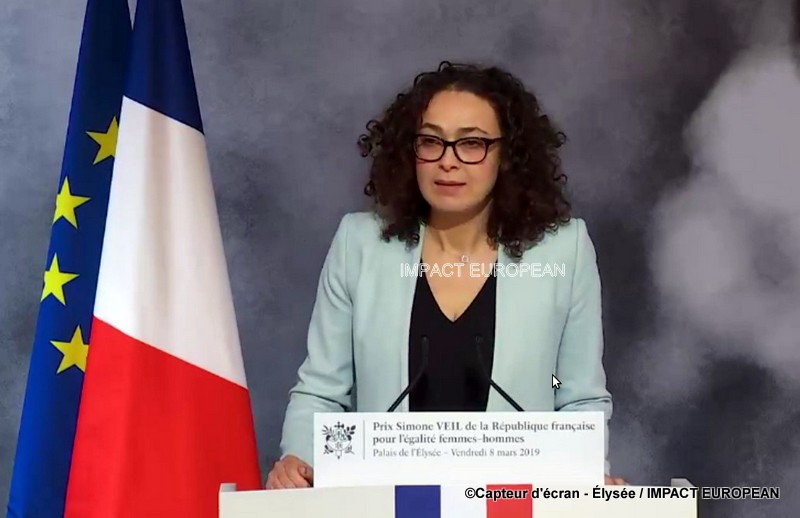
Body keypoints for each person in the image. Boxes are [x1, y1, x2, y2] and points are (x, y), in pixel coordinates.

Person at [265, 61, 626, 488]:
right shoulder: (358, 244)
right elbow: (322, 390)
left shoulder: (564, 250)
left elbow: (579, 397)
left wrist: (588, 477)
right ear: (409, 151)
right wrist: (297, 460)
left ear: (506, 155)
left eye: (471, 144)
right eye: (431, 142)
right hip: (387, 505)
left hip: (512, 508)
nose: (448, 162)